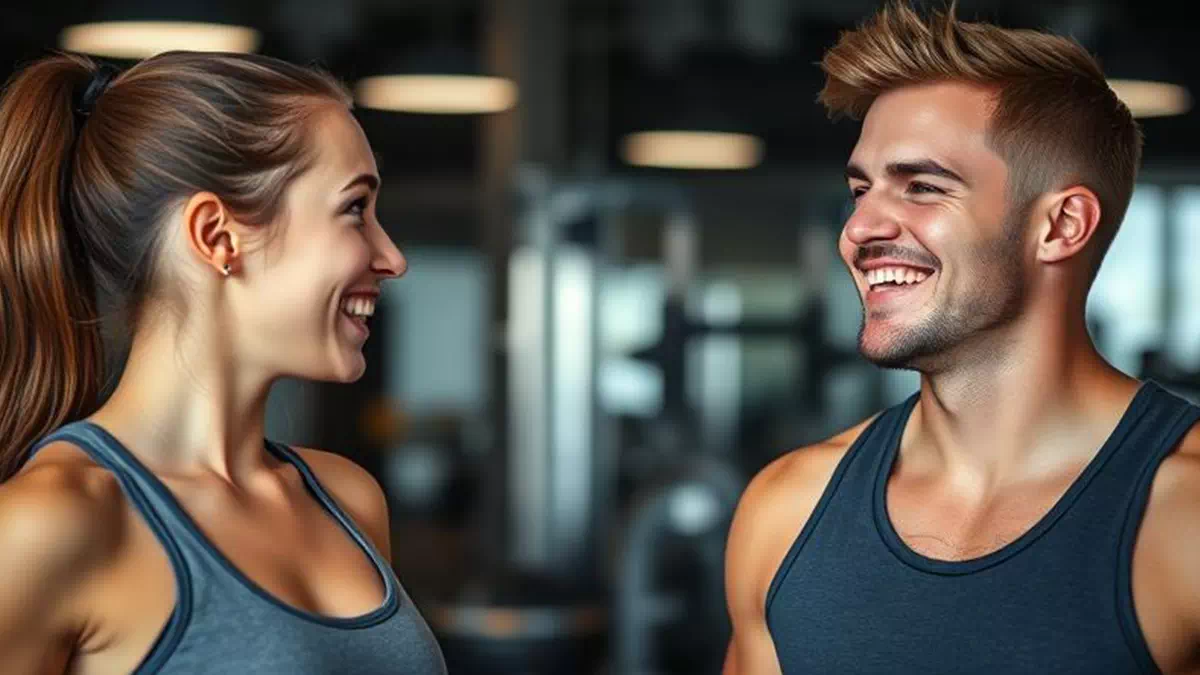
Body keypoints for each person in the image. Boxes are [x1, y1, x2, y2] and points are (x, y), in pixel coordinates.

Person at [723, 2, 1200, 674]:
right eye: (860, 189)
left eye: (921, 186)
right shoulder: (785, 510)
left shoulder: (1185, 517)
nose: (859, 229)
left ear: (1061, 226)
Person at [0, 51, 447, 674]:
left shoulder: (348, 500)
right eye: (354, 209)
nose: (392, 257)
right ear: (216, 236)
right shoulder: (50, 525)